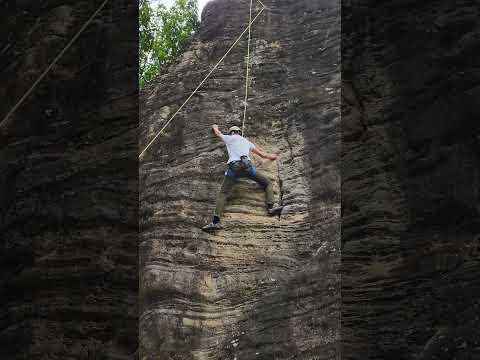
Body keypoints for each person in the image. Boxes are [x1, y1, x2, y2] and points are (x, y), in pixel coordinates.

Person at [202, 124, 284, 232]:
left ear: (231, 132)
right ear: (239, 132)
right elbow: (262, 154)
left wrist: (215, 127)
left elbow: (218, 134)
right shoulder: (246, 141)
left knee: (223, 193)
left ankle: (215, 222)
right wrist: (271, 157)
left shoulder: (230, 138)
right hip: (248, 167)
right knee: (267, 183)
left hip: (234, 169)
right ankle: (271, 207)